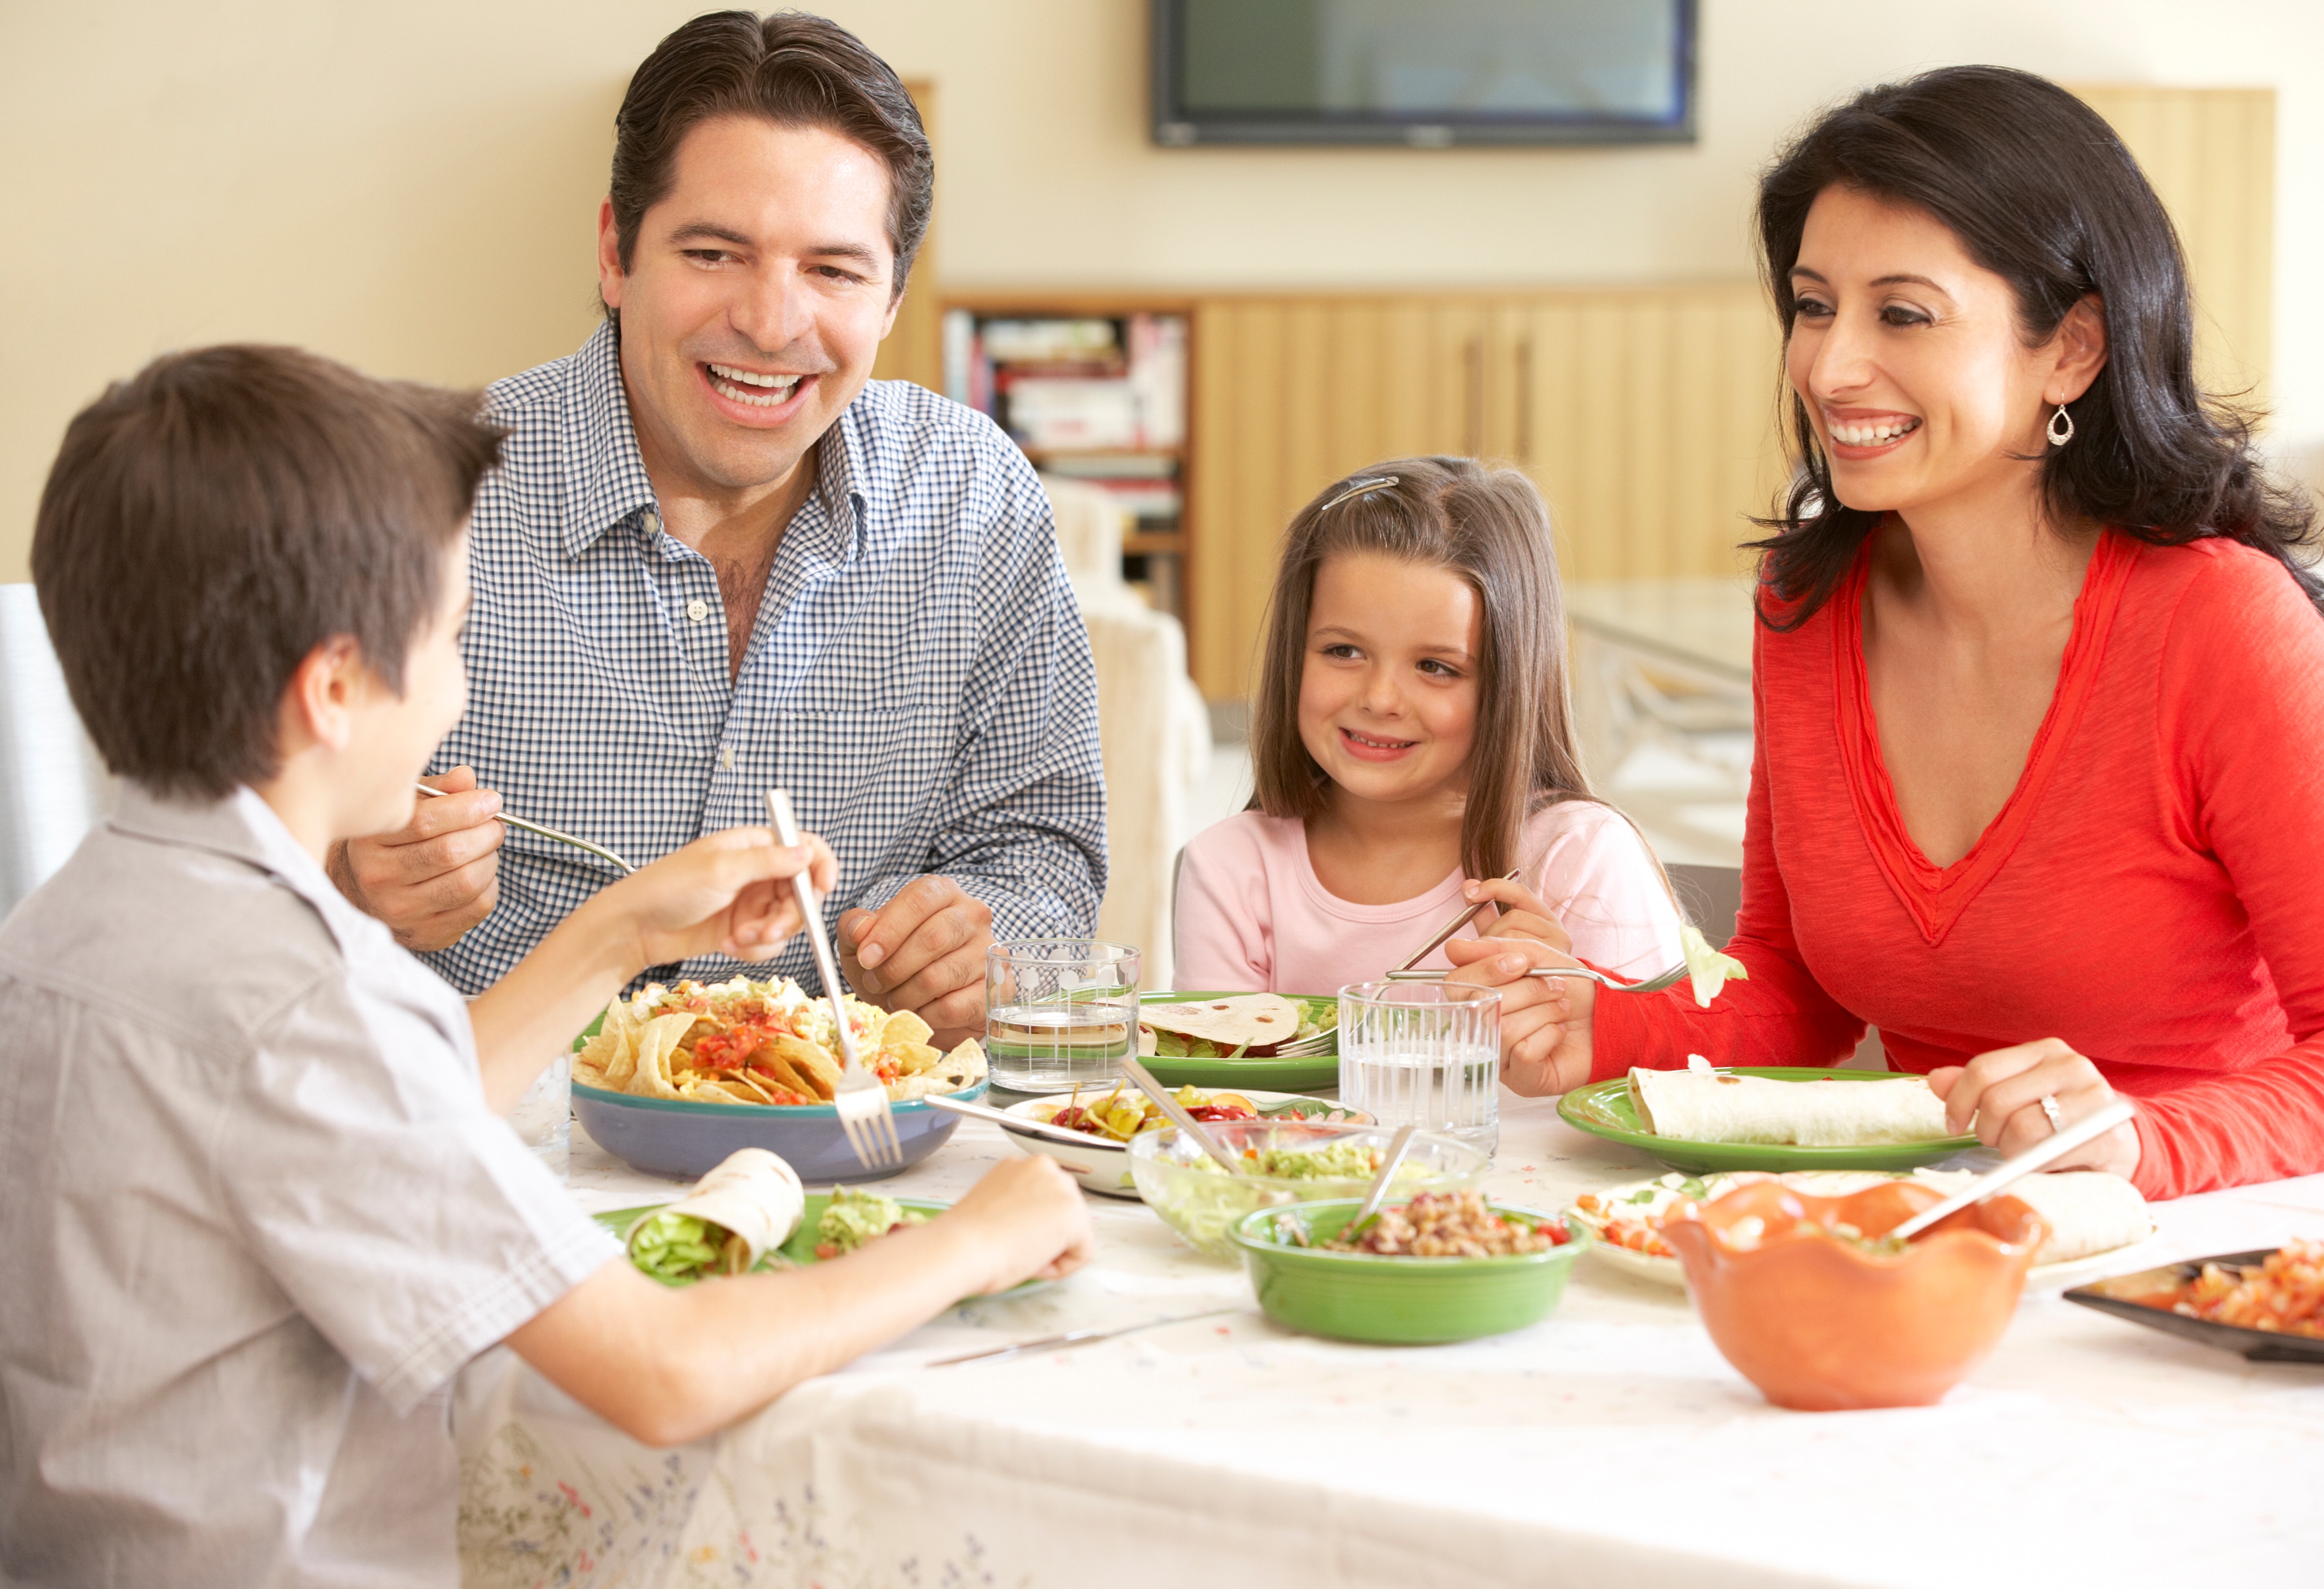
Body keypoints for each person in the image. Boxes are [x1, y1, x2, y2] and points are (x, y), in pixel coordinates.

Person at [0, 345, 1094, 1586]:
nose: (461, 684)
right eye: (453, 636)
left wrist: (627, 927)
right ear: (338, 689)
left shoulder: (71, 925)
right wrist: (972, 1240)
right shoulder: (311, 999)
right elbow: (665, 1371)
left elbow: (381, 1116)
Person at [1448, 67, 2324, 1200]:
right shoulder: (1805, 608)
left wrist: (2141, 1136)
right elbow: (1796, 993)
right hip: (1925, 1234)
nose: (1829, 367)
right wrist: (1598, 1024)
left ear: (2070, 349)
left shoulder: (2221, 625)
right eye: (1810, 305)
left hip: (2202, 1246)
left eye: (1901, 313)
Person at [329, 11, 1104, 1042]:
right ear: (616, 253)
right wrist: (351, 873)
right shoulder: (421, 493)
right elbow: (247, 870)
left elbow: (1043, 843)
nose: (771, 322)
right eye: (714, 252)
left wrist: (984, 941)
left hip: (852, 1127)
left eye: (832, 271)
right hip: (493, 1133)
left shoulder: (976, 498)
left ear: (891, 300)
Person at [1173, 457, 1681, 995]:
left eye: (1435, 667)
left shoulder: (1580, 856)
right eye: (1342, 651)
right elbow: (1214, 1078)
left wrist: (1572, 1010)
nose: (1379, 698)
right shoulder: (1229, 865)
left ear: (1508, 684)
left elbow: (1667, 1074)